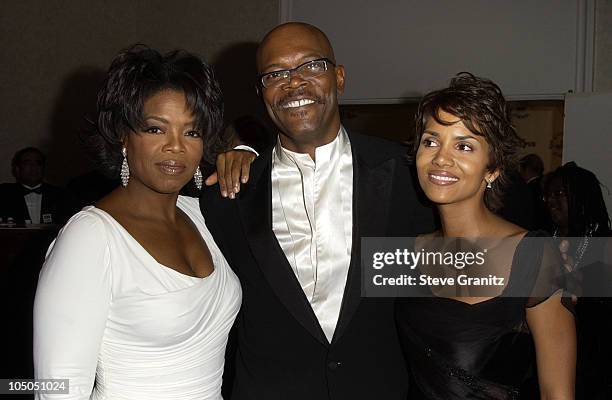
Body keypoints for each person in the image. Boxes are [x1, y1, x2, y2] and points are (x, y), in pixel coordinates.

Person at [200, 22, 434, 400]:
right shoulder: (227, 195)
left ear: (339, 78)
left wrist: (555, 269)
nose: (294, 83)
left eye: (311, 66)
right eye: (276, 74)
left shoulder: (405, 176)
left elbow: (470, 264)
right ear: (261, 93)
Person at [33, 45, 241, 399]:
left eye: (191, 132)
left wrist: (248, 152)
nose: (176, 147)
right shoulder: (90, 238)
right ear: (123, 136)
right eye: (156, 129)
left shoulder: (205, 217)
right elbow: (58, 387)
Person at [395, 73, 576, 399]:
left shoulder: (537, 256)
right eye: (431, 141)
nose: (441, 157)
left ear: (492, 169)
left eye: (464, 145)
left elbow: (557, 393)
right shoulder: (406, 251)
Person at [542, 161, 612, 399]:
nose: (550, 201)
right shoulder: (541, 241)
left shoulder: (604, 244)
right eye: (547, 195)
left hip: (592, 362)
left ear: (581, 197)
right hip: (546, 354)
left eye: (558, 194)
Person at [0, 147, 63, 224]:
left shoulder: (60, 195)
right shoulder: (4, 194)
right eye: (27, 163)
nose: (34, 167)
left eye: (38, 163)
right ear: (17, 169)